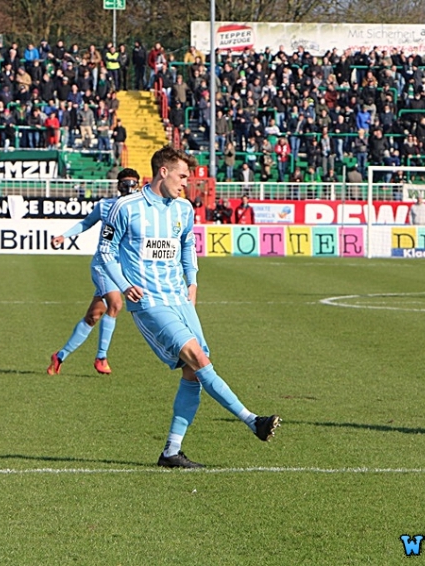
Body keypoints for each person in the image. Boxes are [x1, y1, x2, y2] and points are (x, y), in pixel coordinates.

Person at [99, 146, 281, 468]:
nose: (186, 182)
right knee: (198, 358)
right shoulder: (126, 207)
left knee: (194, 372)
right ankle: (253, 420)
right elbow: (106, 252)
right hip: (150, 302)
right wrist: (125, 285)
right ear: (163, 171)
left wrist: (192, 282)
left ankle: (171, 451)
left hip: (180, 299)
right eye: (182, 176)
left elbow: (187, 245)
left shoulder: (183, 208)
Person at [47, 168, 141, 376]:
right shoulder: (106, 206)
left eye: (133, 183)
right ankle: (101, 357)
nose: (129, 187)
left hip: (121, 269)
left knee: (93, 316)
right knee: (116, 304)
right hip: (102, 265)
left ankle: (60, 356)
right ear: (118, 186)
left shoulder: (140, 210)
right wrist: (64, 236)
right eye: (125, 183)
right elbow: (87, 223)